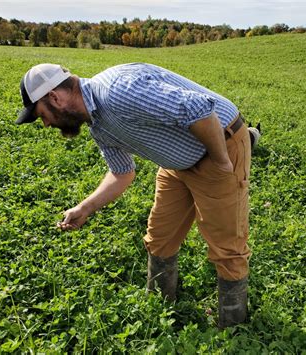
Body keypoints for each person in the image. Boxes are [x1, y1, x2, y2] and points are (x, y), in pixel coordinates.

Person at [16, 63, 261, 328]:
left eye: (41, 115)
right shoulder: (98, 125)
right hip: (177, 162)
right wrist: (84, 208)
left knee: (227, 246)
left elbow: (200, 109)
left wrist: (222, 161)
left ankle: (233, 327)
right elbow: (122, 173)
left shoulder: (117, 93)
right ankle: (160, 311)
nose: (46, 123)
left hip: (218, 143)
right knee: (159, 238)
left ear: (55, 98)